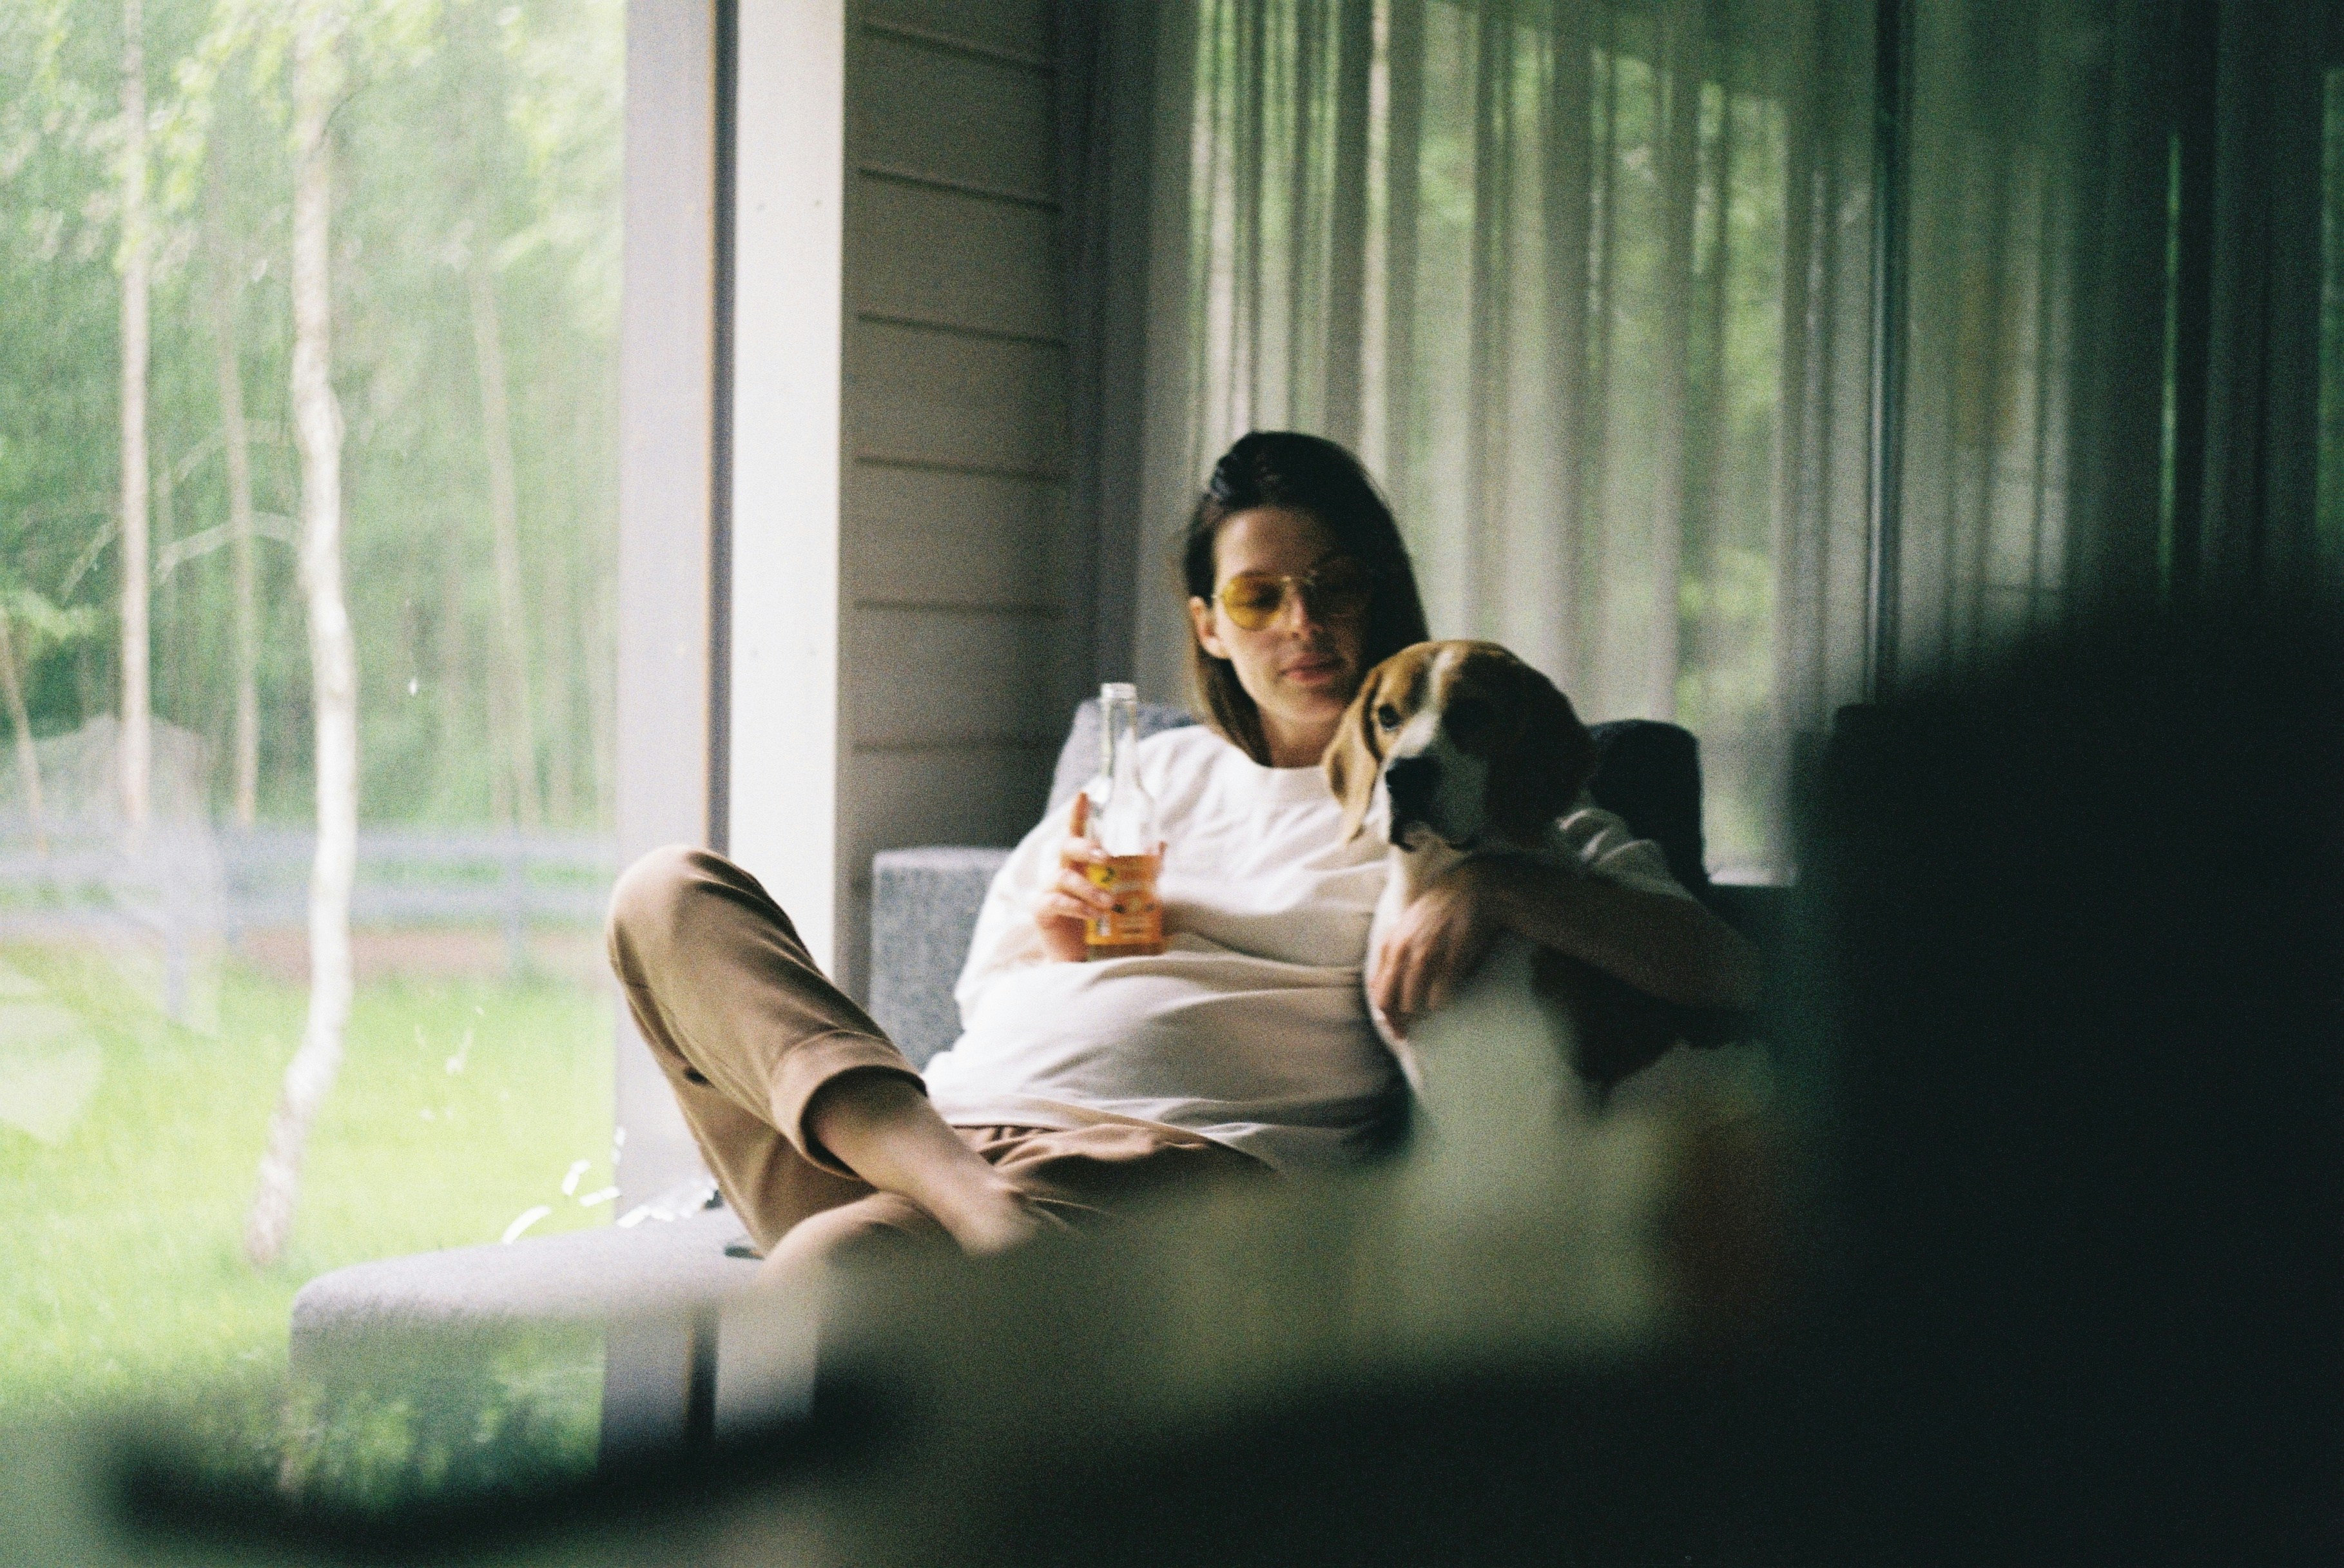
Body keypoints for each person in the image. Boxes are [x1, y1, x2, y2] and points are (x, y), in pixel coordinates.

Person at [605, 432, 1758, 1277]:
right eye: (1259, 596)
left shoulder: (1474, 801)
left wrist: (1504, 883)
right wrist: (1049, 944)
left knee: (830, 1280)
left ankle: (972, 1224)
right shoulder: (1143, 772)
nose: (1302, 624)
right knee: (665, 893)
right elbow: (977, 1001)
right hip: (928, 1140)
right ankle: (974, 1209)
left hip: (1153, 1167)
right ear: (1209, 623)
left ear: (1377, 595)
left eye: (1332, 587)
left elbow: (1718, 968)